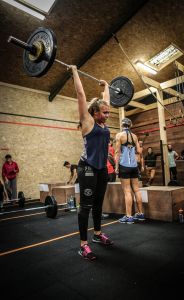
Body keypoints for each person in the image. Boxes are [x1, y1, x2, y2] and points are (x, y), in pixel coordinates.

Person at [70, 65, 113, 261]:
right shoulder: (88, 121)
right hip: (86, 167)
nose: (107, 115)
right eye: (104, 113)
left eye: (108, 112)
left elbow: (107, 101)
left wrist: (107, 86)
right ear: (95, 113)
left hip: (101, 168)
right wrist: (74, 71)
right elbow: (80, 94)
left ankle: (97, 234)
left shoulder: (103, 121)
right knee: (85, 206)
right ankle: (83, 244)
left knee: (98, 204)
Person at [115, 118, 145, 224]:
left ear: (122, 125)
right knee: (136, 189)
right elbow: (139, 151)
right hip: (133, 166)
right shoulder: (135, 136)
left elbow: (117, 152)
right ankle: (141, 214)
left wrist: (116, 167)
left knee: (127, 191)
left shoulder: (119, 135)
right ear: (130, 125)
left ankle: (129, 216)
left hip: (124, 165)